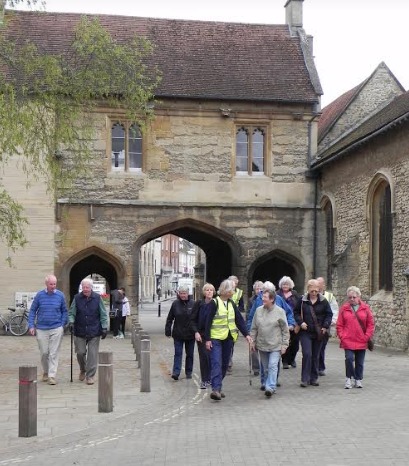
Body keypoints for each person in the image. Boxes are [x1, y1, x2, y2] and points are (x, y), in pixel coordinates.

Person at [205, 279, 252, 401]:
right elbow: (207, 322)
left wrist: (247, 335)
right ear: (225, 291)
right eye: (231, 290)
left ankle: (218, 387)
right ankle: (215, 389)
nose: (232, 292)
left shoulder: (231, 304)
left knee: (225, 365)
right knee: (216, 362)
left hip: (229, 338)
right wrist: (207, 339)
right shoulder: (214, 303)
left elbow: (239, 321)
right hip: (215, 338)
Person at [247, 281, 295, 389]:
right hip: (262, 344)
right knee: (266, 368)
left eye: (265, 297)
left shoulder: (280, 311)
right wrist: (252, 341)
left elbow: (285, 330)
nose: (262, 299)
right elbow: (253, 327)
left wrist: (284, 345)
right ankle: (265, 382)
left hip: (275, 344)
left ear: (272, 299)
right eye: (262, 296)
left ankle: (270, 387)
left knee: (273, 365)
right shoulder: (258, 310)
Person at [28, 274, 68, 385]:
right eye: (51, 284)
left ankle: (51, 375)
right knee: (44, 353)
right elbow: (32, 311)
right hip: (41, 328)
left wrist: (62, 324)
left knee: (53, 353)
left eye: (54, 284)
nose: (53, 286)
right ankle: (45, 371)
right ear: (46, 284)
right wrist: (31, 325)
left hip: (56, 327)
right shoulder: (40, 295)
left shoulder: (60, 295)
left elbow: (64, 311)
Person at [69, 278, 108, 385]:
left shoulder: (97, 298)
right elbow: (71, 312)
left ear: (91, 287)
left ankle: (90, 376)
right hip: (80, 329)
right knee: (80, 353)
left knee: (92, 355)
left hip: (94, 330)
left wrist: (104, 327)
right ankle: (83, 368)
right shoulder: (77, 298)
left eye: (87, 287)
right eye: (84, 287)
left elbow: (103, 314)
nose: (85, 289)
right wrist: (71, 322)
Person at [293, 279, 332, 388]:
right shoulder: (302, 300)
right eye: (312, 291)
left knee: (315, 355)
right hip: (305, 332)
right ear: (308, 290)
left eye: (316, 291)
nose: (314, 293)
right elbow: (295, 312)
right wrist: (301, 323)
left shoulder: (323, 301)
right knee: (307, 354)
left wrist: (325, 326)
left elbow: (329, 314)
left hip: (318, 332)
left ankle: (313, 378)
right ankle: (305, 379)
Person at [336, 286, 375, 389]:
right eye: (350, 297)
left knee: (359, 362)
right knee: (349, 359)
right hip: (348, 339)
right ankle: (348, 378)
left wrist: (367, 336)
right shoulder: (344, 308)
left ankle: (358, 379)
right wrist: (342, 336)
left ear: (359, 297)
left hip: (361, 339)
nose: (352, 299)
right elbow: (339, 324)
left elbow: (371, 324)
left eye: (354, 297)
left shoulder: (365, 308)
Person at [165, 285, 195, 381]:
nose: (183, 295)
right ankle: (176, 372)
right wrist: (168, 330)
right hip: (178, 333)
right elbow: (170, 318)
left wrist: (198, 331)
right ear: (179, 294)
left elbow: (197, 319)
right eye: (181, 293)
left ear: (188, 293)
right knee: (178, 353)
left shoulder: (193, 304)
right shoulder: (175, 304)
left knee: (190, 354)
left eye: (184, 293)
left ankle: (188, 372)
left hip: (190, 334)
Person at [192, 283, 215, 388]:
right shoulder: (199, 304)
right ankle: (205, 379)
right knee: (204, 357)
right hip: (201, 335)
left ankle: (212, 378)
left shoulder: (216, 304)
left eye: (211, 290)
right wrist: (196, 332)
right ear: (204, 292)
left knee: (213, 357)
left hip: (213, 334)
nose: (209, 292)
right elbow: (192, 320)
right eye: (207, 290)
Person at [316, 276, 339, 376]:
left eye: (320, 284)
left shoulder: (329, 296)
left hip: (325, 326)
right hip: (314, 326)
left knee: (321, 347)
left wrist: (332, 321)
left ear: (323, 285)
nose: (318, 286)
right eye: (317, 284)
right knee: (315, 347)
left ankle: (320, 367)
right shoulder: (309, 295)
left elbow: (334, 309)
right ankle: (315, 366)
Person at [277, 276, 301, 369]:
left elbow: (299, 309)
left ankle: (292, 359)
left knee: (295, 343)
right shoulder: (277, 295)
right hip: (283, 322)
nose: (285, 286)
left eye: (287, 284)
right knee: (285, 342)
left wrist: (298, 323)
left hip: (294, 321)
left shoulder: (296, 295)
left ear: (290, 285)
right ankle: (285, 361)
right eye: (283, 284)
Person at [227, 275, 244, 373]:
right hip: (223, 321)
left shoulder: (239, 293)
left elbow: (242, 307)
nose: (234, 286)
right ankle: (226, 361)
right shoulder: (222, 293)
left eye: (236, 284)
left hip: (234, 320)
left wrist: (236, 311)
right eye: (232, 284)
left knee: (231, 342)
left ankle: (229, 361)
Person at [247, 280, 264, 376]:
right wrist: (248, 329)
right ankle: (256, 368)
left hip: (264, 327)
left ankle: (263, 366)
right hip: (254, 326)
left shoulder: (267, 299)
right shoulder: (251, 300)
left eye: (260, 288)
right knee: (253, 349)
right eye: (257, 288)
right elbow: (249, 314)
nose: (259, 290)